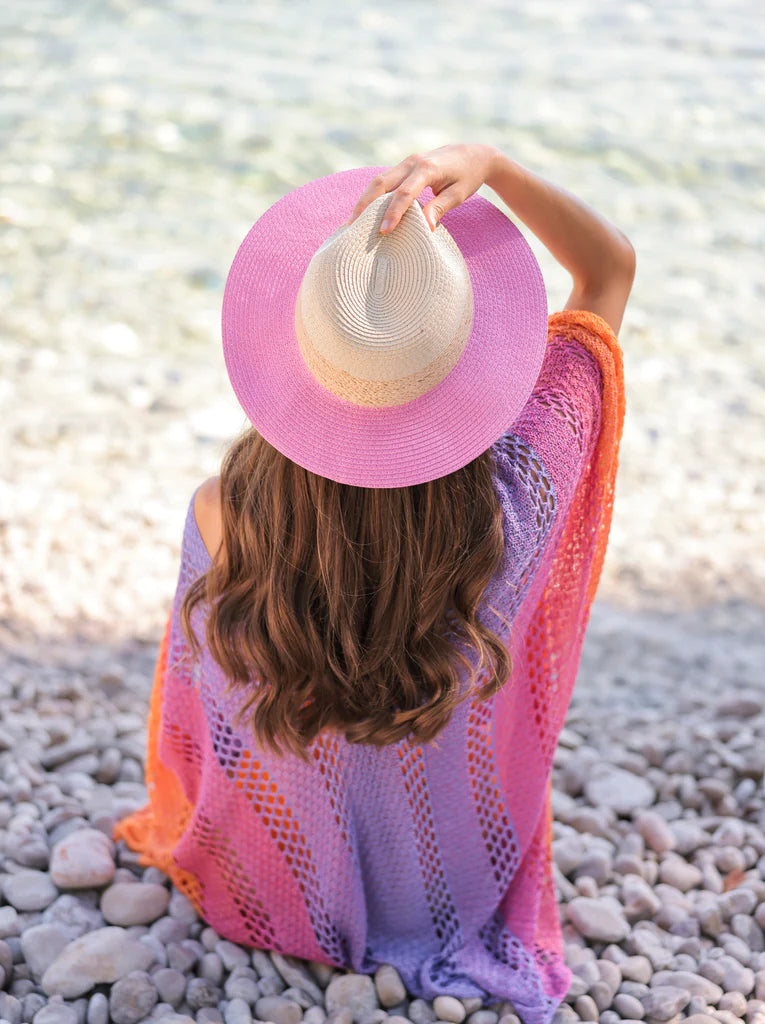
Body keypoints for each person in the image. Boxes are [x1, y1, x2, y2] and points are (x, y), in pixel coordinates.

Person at [113, 143, 633, 1024]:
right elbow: (607, 269)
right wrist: (495, 167)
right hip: (450, 886)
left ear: (295, 357)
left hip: (268, 881)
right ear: (470, 359)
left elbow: (196, 714)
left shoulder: (223, 514)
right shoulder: (519, 497)